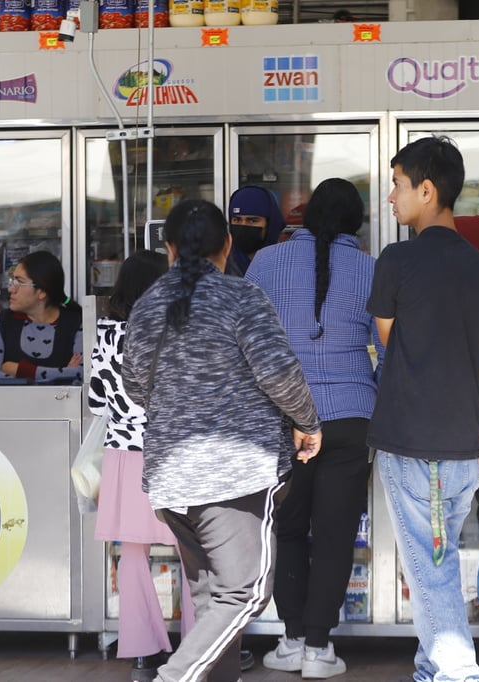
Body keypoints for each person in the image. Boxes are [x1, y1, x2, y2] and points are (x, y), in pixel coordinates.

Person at [122, 199, 323, 682]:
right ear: (227, 244)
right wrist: (308, 422)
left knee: (212, 598)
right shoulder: (241, 298)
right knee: (246, 592)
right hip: (236, 474)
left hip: (172, 480)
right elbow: (279, 374)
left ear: (168, 248)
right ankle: (173, 677)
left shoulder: (147, 306)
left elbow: (132, 386)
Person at [366, 136, 479, 682]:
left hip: (413, 446)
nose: (391, 197)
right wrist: (474, 444)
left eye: (399, 186)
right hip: (458, 450)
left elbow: (387, 339)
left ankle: (456, 674)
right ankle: (432, 672)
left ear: (427, 191)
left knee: (432, 573)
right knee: (436, 565)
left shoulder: (398, 260)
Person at [245, 178, 384, 679]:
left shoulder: (265, 263)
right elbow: (387, 349)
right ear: (355, 224)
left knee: (286, 529)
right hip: (351, 417)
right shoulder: (370, 269)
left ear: (304, 218)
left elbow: (249, 346)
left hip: (284, 418)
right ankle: (320, 650)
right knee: (335, 535)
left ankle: (293, 638)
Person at [89, 250, 194, 682]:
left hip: (123, 452)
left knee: (133, 551)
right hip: (174, 450)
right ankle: (199, 643)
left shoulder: (107, 332)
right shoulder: (178, 328)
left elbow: (97, 400)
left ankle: (141, 651)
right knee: (194, 551)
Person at [225, 183, 288, 672]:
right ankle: (227, 643)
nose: (243, 230)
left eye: (253, 223)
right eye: (236, 222)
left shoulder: (277, 266)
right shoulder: (229, 272)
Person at [0, 250, 82, 384]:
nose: (10, 289)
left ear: (42, 292)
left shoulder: (77, 323)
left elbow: (84, 374)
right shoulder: (0, 322)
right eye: (11, 281)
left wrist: (18, 369)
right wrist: (62, 374)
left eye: (19, 282)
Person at [226, 185, 286, 277]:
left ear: (270, 224)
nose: (243, 225)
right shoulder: (221, 264)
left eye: (252, 220)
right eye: (237, 220)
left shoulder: (285, 264)